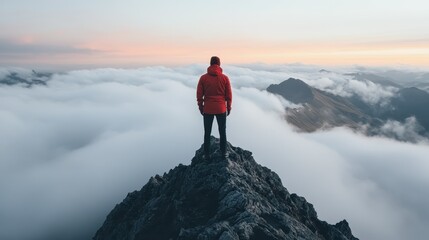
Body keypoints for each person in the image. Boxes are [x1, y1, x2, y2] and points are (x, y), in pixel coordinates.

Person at [197, 56, 232, 159]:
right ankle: (224, 153)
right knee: (222, 131)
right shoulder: (225, 78)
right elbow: (228, 95)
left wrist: (201, 107)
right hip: (221, 108)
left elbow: (199, 95)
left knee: (207, 132)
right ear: (219, 64)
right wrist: (228, 107)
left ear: (210, 64)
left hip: (208, 109)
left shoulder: (203, 78)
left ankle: (207, 155)